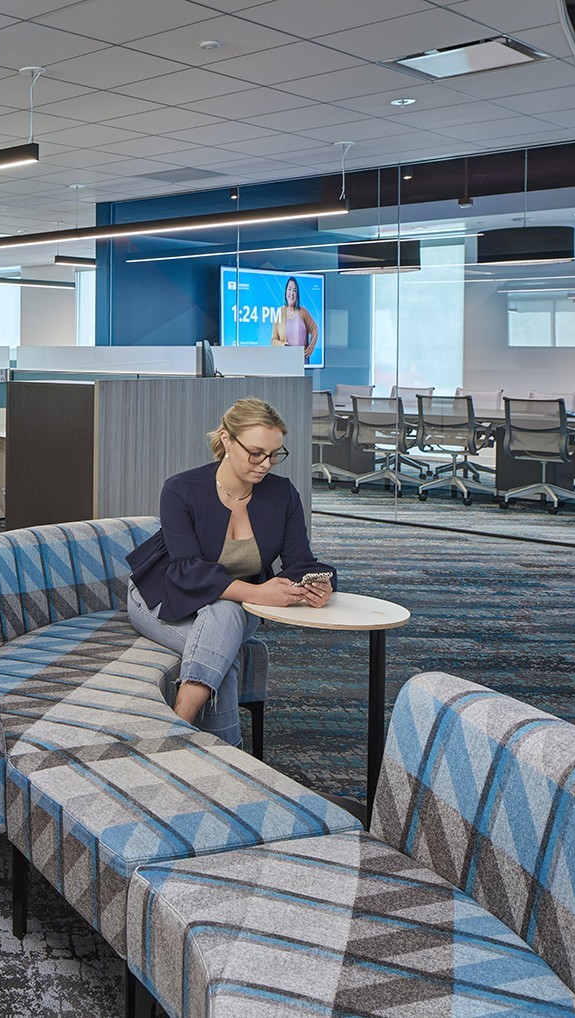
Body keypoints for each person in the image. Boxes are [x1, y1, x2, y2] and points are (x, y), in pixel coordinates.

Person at [125, 398, 335, 747]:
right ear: (226, 439)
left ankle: (176, 726)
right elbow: (186, 571)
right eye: (255, 453)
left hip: (237, 610)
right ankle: (226, 755)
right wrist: (256, 593)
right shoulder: (181, 489)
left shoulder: (282, 494)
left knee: (225, 613)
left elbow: (301, 560)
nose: (266, 464)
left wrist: (319, 583)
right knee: (225, 653)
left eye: (274, 454)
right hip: (163, 598)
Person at [269, 276, 319, 360]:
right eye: (289, 289)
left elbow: (315, 329)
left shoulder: (303, 312)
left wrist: (310, 349)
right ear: (285, 292)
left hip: (302, 362)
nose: (291, 293)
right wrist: (282, 344)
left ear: (297, 294)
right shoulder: (279, 312)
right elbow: (273, 340)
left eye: (294, 290)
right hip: (284, 361)